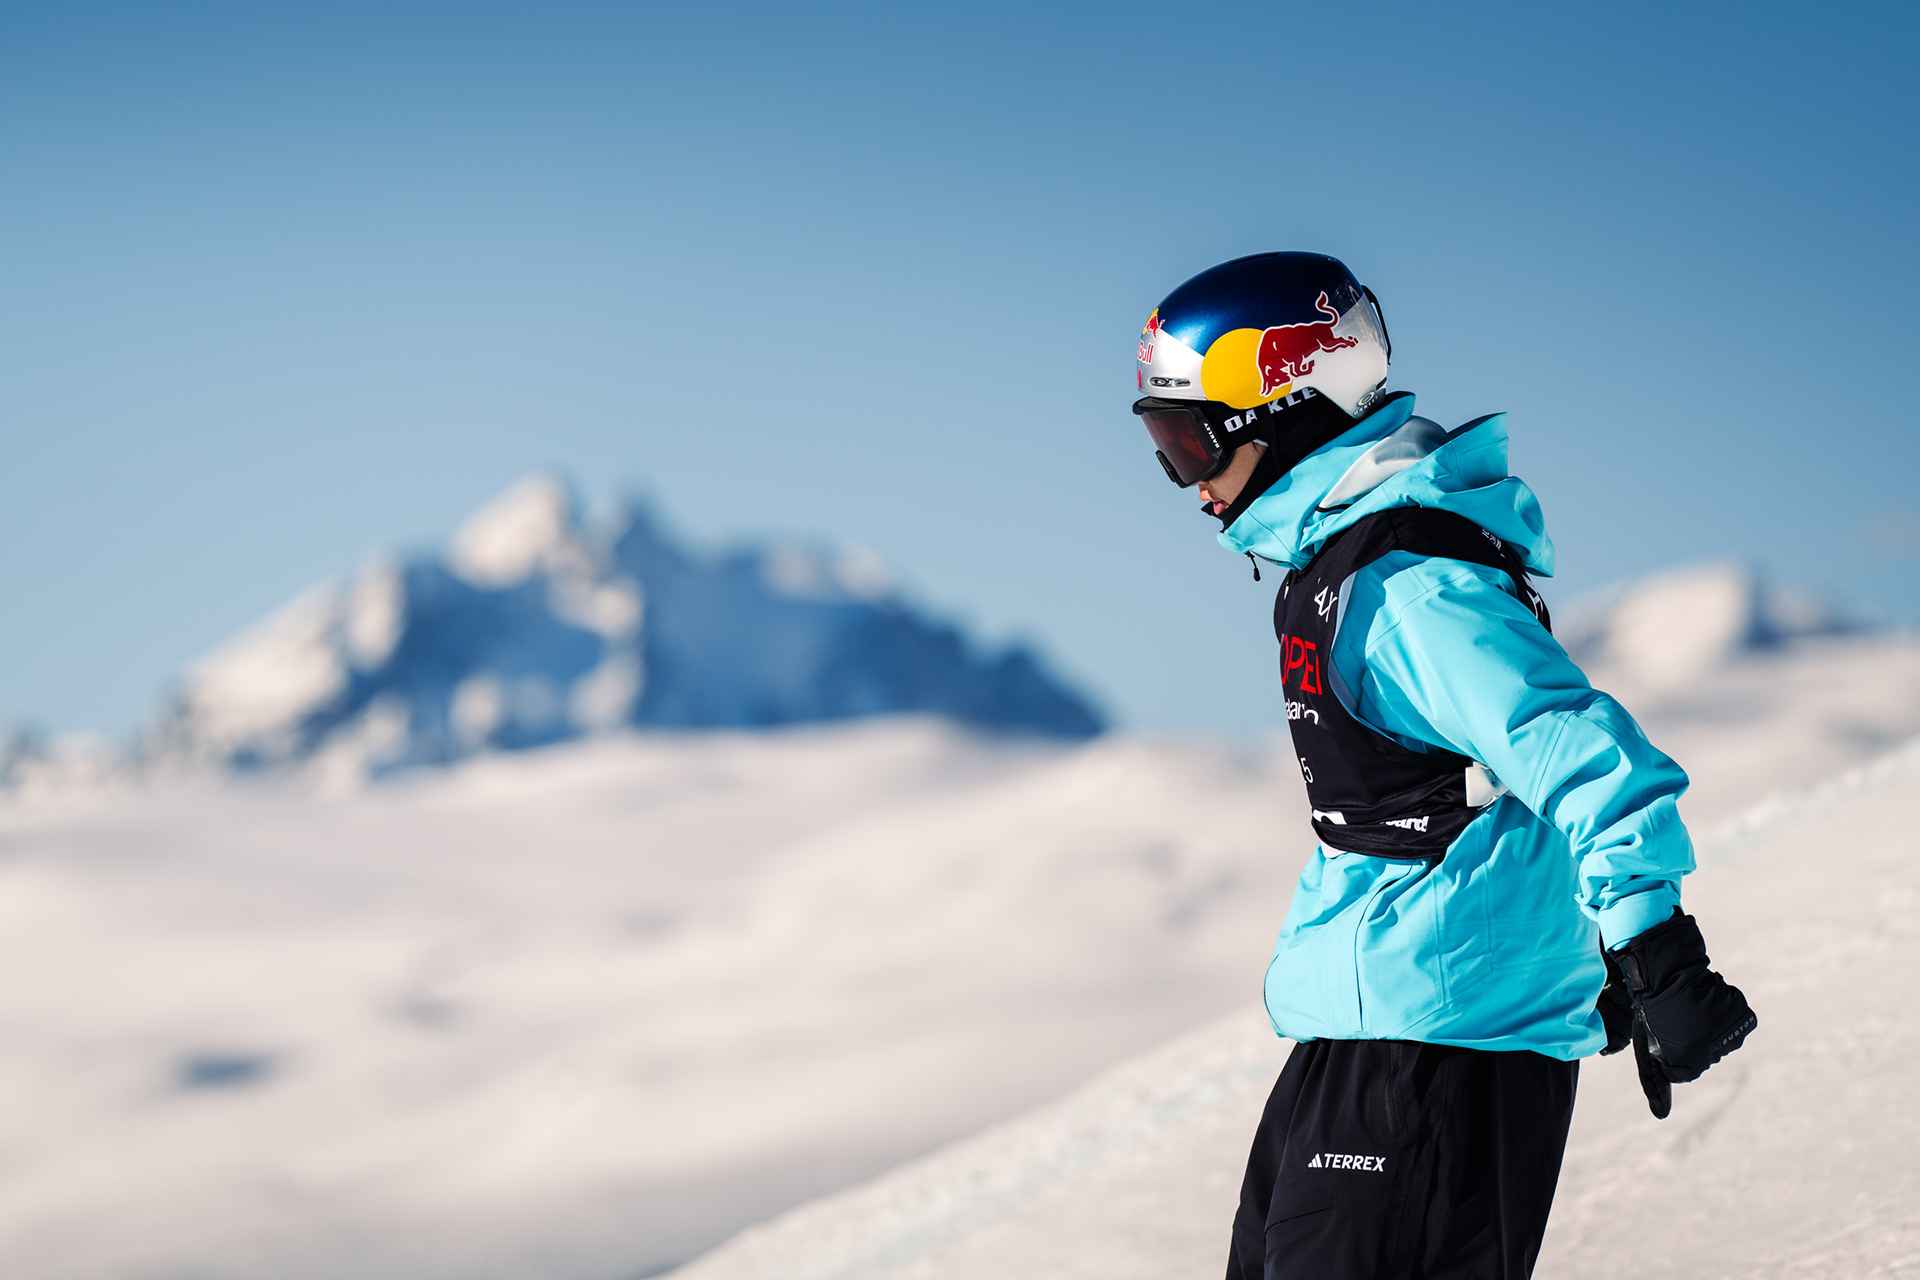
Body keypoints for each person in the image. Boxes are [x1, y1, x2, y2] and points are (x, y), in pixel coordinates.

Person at [1130, 252, 1758, 1280]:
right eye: (1163, 443)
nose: (1185, 480)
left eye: (1190, 441)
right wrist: (1585, 958)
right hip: (1369, 1031)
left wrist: (1656, 954)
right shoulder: (1342, 570)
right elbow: (1449, 805)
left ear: (1283, 409)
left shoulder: (1411, 588)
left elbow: (1581, 755)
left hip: (1438, 1056)